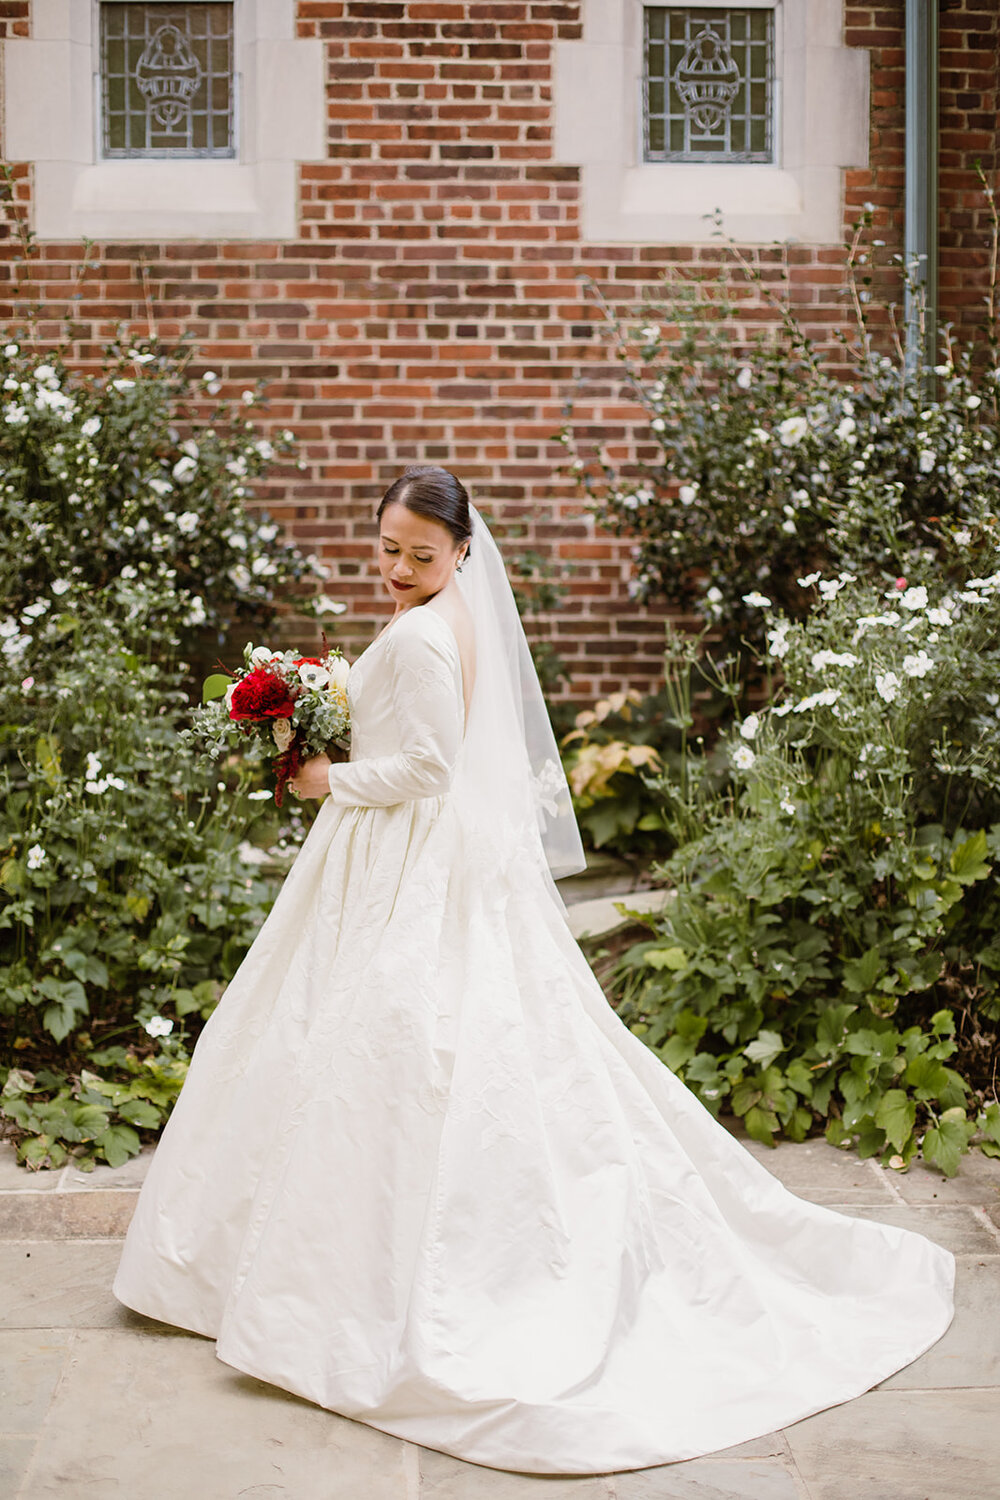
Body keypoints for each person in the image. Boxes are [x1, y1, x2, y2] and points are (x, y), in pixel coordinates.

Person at [114, 466, 955, 1476]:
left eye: (419, 555)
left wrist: (324, 774)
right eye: (386, 548)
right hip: (424, 859)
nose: (396, 568)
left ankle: (352, 1281)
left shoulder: (428, 631)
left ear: (463, 549)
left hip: (404, 856)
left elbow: (427, 767)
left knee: (383, 1046)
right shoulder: (449, 612)